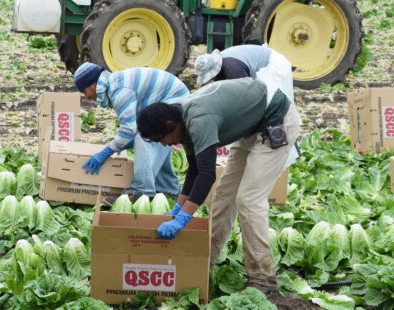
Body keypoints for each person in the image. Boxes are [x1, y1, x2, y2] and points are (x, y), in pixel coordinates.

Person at [136, 77, 300, 291]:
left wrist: (183, 219)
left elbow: (206, 174)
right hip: (250, 127)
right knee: (224, 196)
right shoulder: (181, 124)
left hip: (275, 119)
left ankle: (263, 278)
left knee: (248, 200)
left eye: (161, 139)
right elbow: (194, 170)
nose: (165, 144)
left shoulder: (198, 120)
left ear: (169, 125)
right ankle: (205, 261)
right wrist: (177, 209)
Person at [73, 62, 188, 199]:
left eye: (85, 92)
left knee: (147, 135)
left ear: (92, 85)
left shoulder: (119, 90)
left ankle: (140, 190)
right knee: (156, 142)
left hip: (175, 101)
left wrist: (106, 152)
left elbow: (128, 130)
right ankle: (168, 190)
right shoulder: (114, 84)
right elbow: (132, 125)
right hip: (169, 100)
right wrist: (124, 142)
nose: (87, 97)